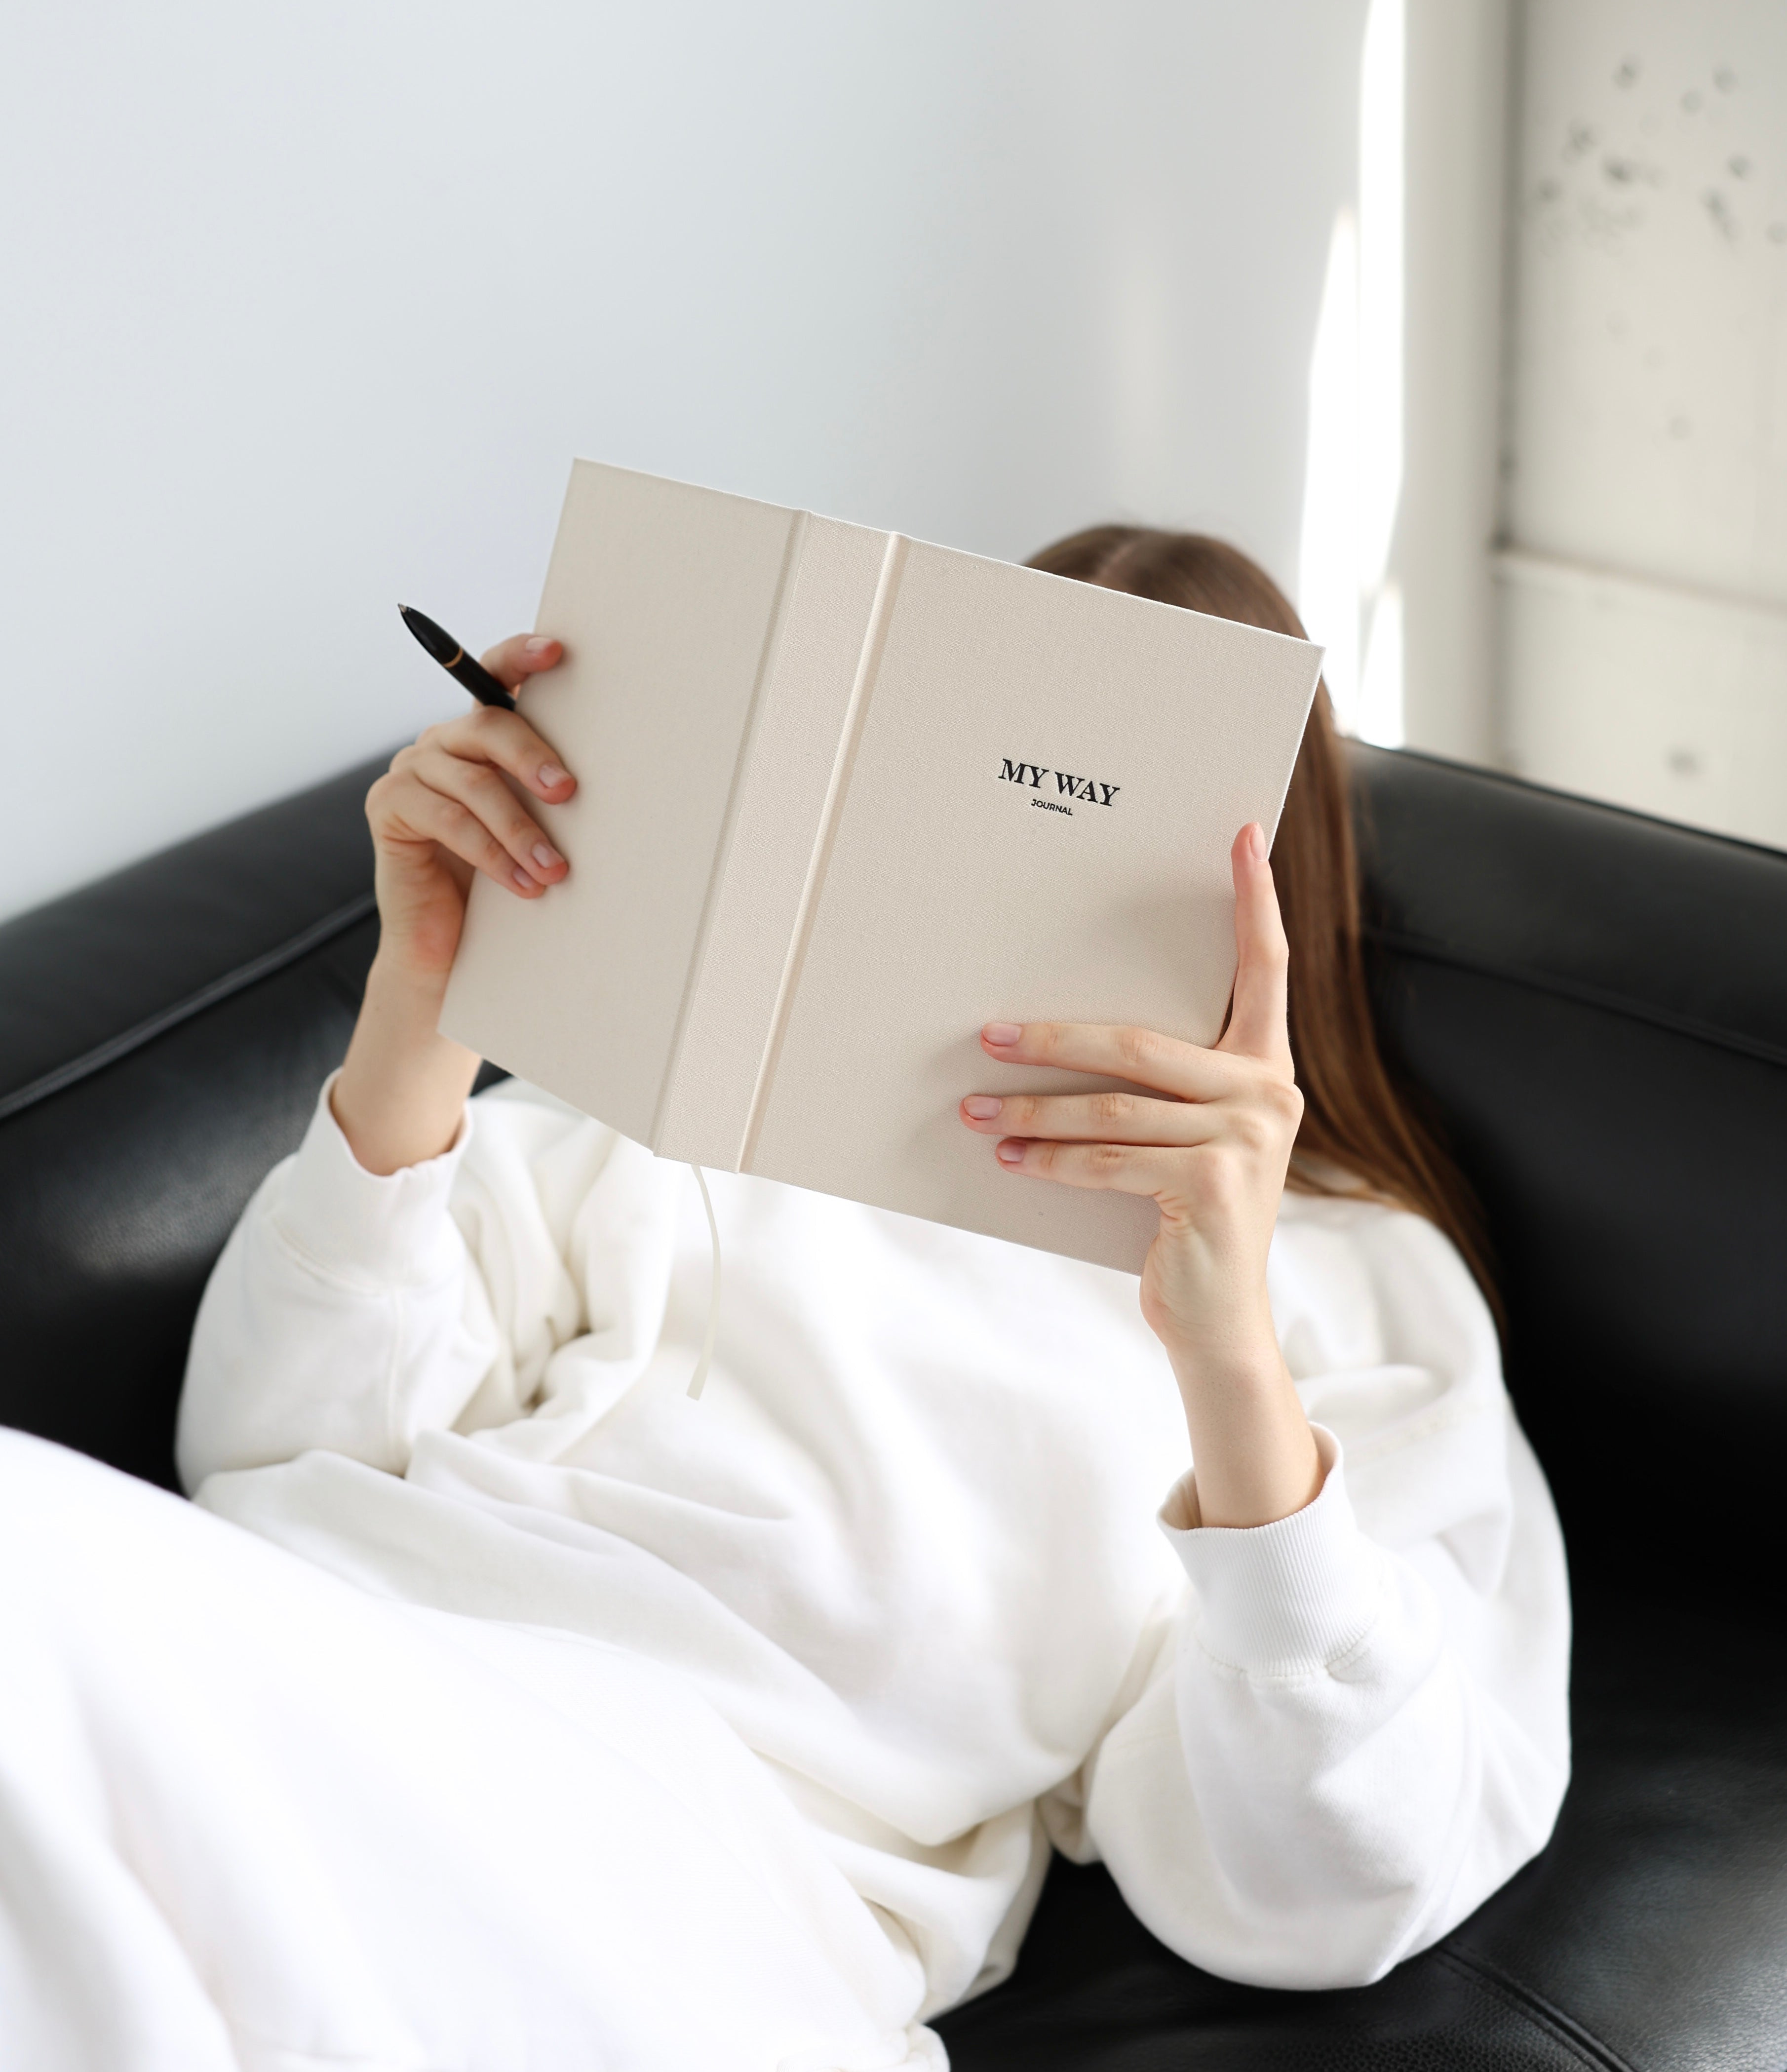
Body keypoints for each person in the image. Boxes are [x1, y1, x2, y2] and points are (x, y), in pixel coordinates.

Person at [0, 531, 1569, 2072]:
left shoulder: (1353, 1286)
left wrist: (1226, 1353)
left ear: (1261, 881)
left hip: (675, 1875)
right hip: (330, 1661)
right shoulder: (697, 1095)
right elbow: (266, 1449)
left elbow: (1323, 1892)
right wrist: (424, 1003)